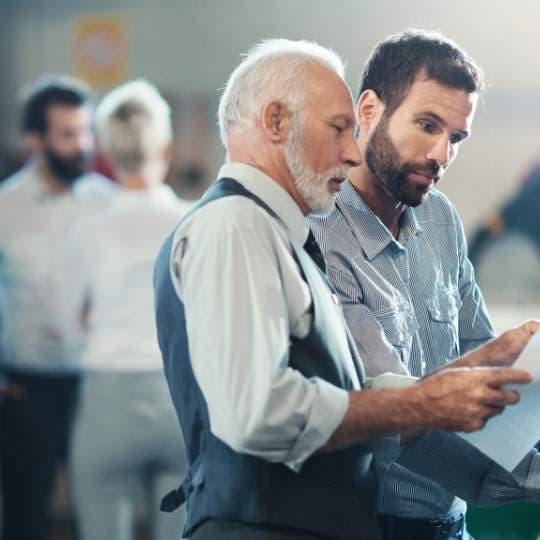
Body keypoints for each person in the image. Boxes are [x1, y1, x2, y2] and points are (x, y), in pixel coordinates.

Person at [153, 38, 537, 540]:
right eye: (338, 129)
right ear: (276, 122)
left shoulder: (428, 222)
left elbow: (384, 389)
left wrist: (471, 378)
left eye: (457, 137)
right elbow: (263, 415)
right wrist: (433, 403)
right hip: (325, 520)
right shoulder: (253, 225)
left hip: (419, 519)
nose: (350, 151)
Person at [309, 29, 540, 540]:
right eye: (428, 125)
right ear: (368, 109)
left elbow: (482, 350)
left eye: (455, 138)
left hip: (449, 522)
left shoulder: (441, 219)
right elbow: (391, 410)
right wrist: (528, 475)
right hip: (367, 525)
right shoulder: (322, 235)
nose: (442, 154)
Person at [54, 80, 190, 540]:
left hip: (105, 401)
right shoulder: (194, 223)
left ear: (106, 154)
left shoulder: (85, 232)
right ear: (166, 147)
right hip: (177, 399)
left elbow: (63, 323)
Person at [0, 75, 115, 540]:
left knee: (98, 516)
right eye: (68, 135)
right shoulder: (4, 209)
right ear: (35, 140)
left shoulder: (109, 204)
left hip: (97, 384)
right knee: (25, 513)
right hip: (26, 391)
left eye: (86, 132)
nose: (83, 145)